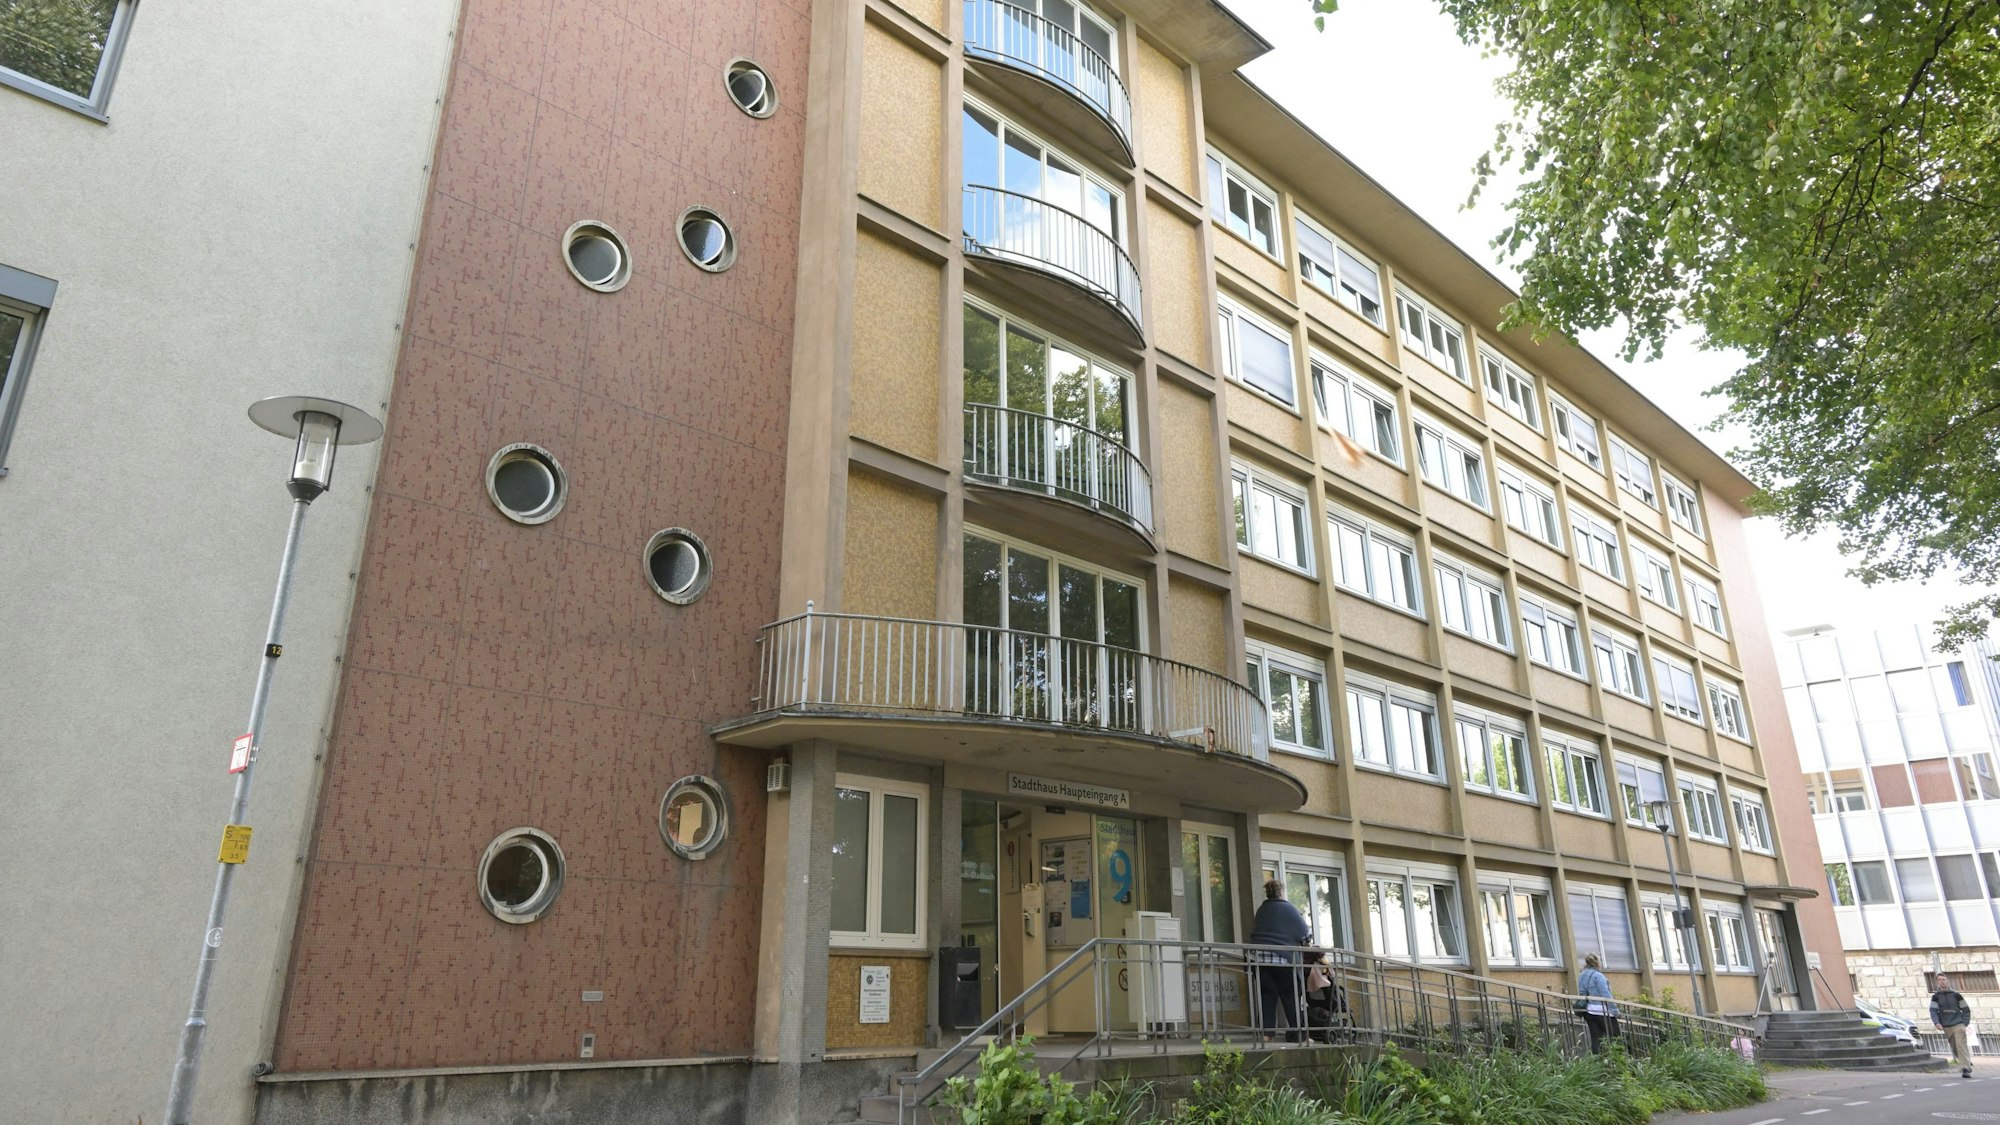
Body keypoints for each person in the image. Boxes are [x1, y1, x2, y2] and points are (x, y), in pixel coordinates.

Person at [1249, 878, 1311, 1042]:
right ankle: (1300, 1035)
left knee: (1266, 995)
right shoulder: (1288, 908)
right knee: (1290, 995)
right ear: (1281, 892)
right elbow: (1305, 933)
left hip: (1259, 959)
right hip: (1282, 959)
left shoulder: (1262, 909)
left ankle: (1266, 1034)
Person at [1931, 973, 1975, 1078]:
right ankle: (1967, 1061)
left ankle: (1965, 1069)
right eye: (1940, 980)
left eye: (1944, 979)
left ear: (1947, 981)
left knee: (1960, 1045)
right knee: (1955, 1047)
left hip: (1958, 1024)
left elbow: (1966, 1009)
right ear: (1937, 982)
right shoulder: (1936, 997)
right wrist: (1937, 1022)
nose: (1942, 981)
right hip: (1946, 1025)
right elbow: (1933, 1010)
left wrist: (1965, 1023)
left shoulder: (1956, 995)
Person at [1577, 952, 1619, 1053]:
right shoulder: (1598, 976)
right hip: (1602, 1011)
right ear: (1597, 962)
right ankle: (1618, 1061)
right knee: (1616, 1037)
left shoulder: (1582, 975)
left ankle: (1597, 1062)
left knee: (1596, 1038)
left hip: (1589, 1011)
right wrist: (1615, 1010)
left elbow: (1582, 993)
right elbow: (1606, 994)